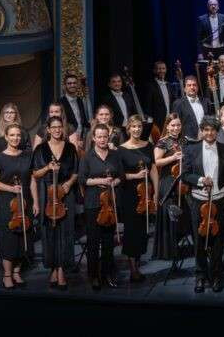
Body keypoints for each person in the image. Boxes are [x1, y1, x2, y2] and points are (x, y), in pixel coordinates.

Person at [182, 116, 224, 292]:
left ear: (217, 132)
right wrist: (202, 179)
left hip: (219, 200)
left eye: (212, 130)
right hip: (198, 200)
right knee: (199, 240)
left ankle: (216, 276)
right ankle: (200, 276)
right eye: (206, 130)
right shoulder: (191, 149)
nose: (209, 133)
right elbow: (185, 175)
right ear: (202, 131)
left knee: (218, 241)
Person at [32, 116, 79, 289]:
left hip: (66, 193)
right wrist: (47, 168)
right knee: (49, 232)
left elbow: (76, 171)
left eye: (60, 127)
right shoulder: (41, 149)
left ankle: (61, 271)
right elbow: (35, 174)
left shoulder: (71, 147)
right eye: (54, 127)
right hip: (47, 193)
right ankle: (53, 267)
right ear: (48, 129)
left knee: (65, 233)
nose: (57, 130)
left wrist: (68, 183)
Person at [0, 123, 38, 288]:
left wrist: (36, 201)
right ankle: (7, 275)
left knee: (23, 238)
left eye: (18, 135)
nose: (16, 138)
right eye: (12, 135)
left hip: (25, 201)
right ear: (6, 137)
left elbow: (32, 180)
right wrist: (10, 187)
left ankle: (17, 272)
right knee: (9, 239)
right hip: (6, 202)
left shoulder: (27, 155)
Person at [78, 123, 123, 290]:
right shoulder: (87, 157)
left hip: (110, 204)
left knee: (108, 241)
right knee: (93, 241)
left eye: (105, 136)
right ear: (94, 138)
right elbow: (82, 180)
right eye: (100, 137)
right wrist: (101, 181)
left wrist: (113, 182)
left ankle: (107, 274)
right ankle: (93, 276)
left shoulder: (114, 156)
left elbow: (121, 176)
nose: (103, 139)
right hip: (93, 204)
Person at [119, 115, 158, 283]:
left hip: (146, 194)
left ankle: (137, 263)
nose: (136, 129)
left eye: (139, 127)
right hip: (129, 194)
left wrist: (156, 192)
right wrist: (135, 176)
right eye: (133, 127)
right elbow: (119, 175)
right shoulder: (121, 149)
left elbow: (153, 169)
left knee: (142, 231)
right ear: (128, 129)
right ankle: (133, 268)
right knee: (131, 231)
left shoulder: (148, 146)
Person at [152, 113, 187, 261]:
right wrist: (173, 157)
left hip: (182, 181)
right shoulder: (162, 142)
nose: (176, 128)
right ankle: (168, 250)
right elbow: (156, 162)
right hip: (167, 181)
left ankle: (180, 246)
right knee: (169, 215)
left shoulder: (184, 140)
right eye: (173, 125)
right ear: (167, 126)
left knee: (182, 214)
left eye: (178, 125)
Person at [173, 75, 210, 141]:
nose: (192, 87)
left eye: (194, 85)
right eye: (189, 85)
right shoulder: (178, 103)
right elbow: (176, 124)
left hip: (206, 139)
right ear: (184, 88)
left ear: (197, 87)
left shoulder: (206, 101)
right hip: (188, 142)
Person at [59, 72, 91, 140]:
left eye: (74, 83)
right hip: (67, 139)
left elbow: (84, 122)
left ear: (77, 85)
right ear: (65, 86)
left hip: (81, 139)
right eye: (69, 83)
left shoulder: (80, 101)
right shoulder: (60, 102)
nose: (72, 85)